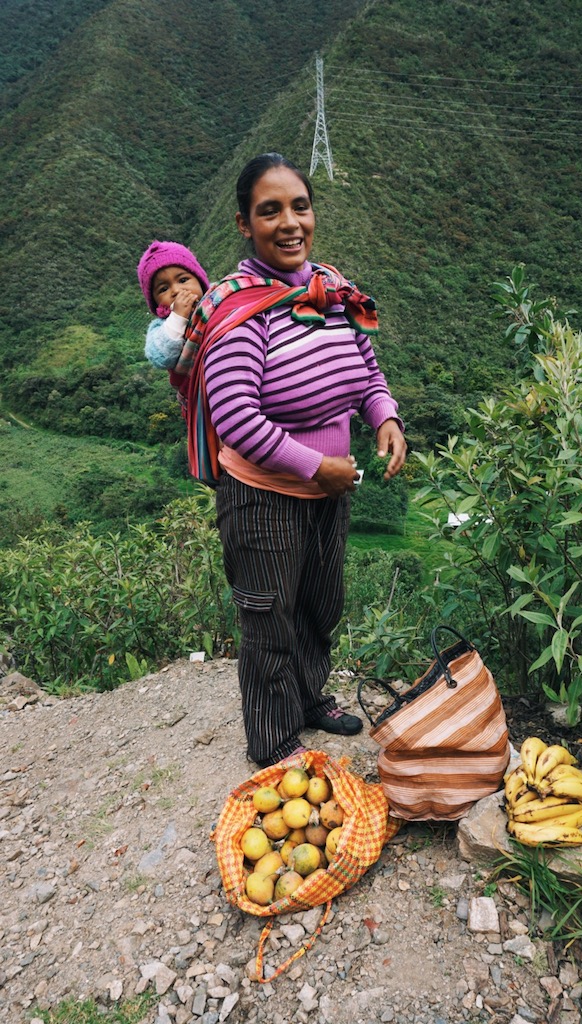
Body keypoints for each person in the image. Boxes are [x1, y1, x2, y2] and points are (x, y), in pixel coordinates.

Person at [186, 153, 407, 768]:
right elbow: (236, 420)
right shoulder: (239, 310)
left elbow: (365, 370)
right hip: (264, 496)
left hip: (328, 494)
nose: (289, 222)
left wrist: (385, 416)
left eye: (299, 206)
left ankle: (309, 699)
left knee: (318, 603)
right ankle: (273, 738)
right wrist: (316, 466)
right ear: (243, 224)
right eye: (270, 211)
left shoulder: (329, 290)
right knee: (267, 615)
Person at [137, 240, 211, 408]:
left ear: (200, 281)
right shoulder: (162, 327)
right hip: (200, 404)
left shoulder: (218, 300)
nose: (176, 290)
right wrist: (178, 317)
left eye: (183, 279)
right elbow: (160, 356)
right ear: (156, 303)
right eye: (163, 289)